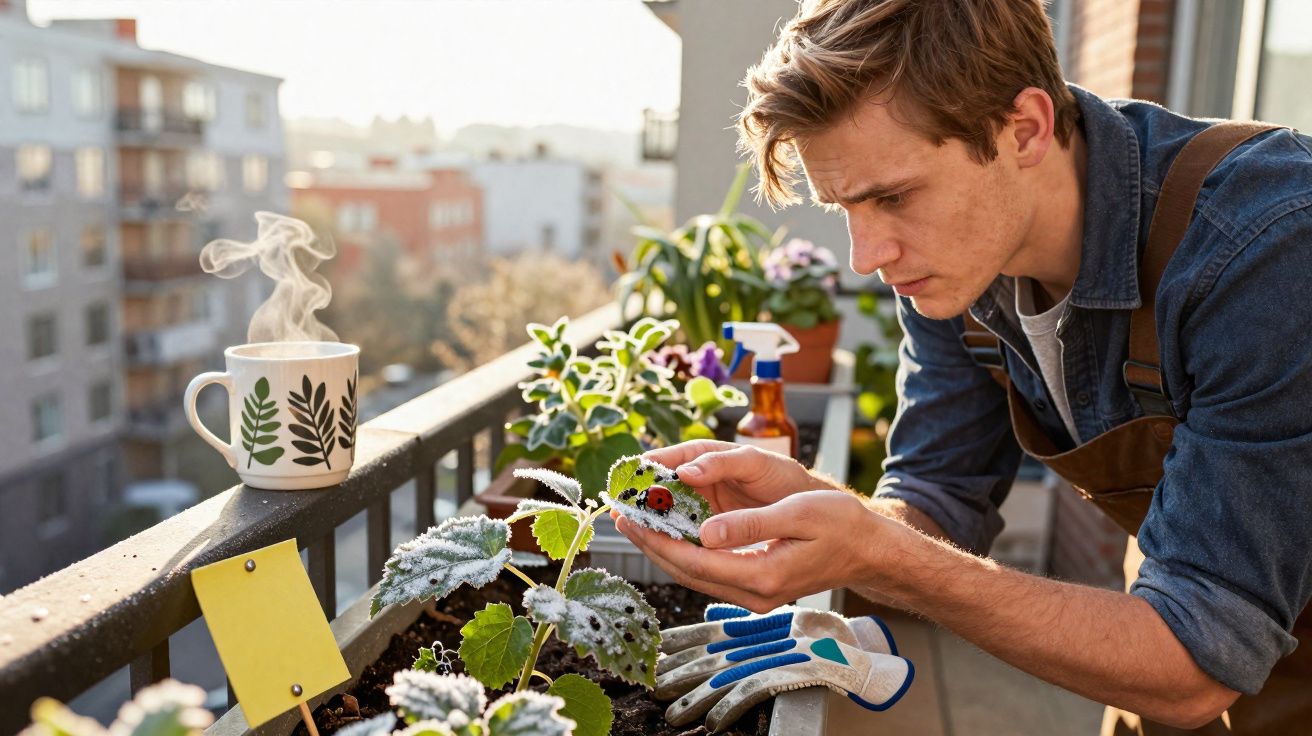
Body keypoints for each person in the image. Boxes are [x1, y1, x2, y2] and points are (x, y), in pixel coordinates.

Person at [613, 1, 1312, 734]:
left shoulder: (1265, 251)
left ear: (1027, 130)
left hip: (1198, 647)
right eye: (844, 207)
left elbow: (1194, 664)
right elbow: (938, 493)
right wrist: (807, 515)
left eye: (893, 196)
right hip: (1178, 634)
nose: (867, 257)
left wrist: (880, 554)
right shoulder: (962, 260)